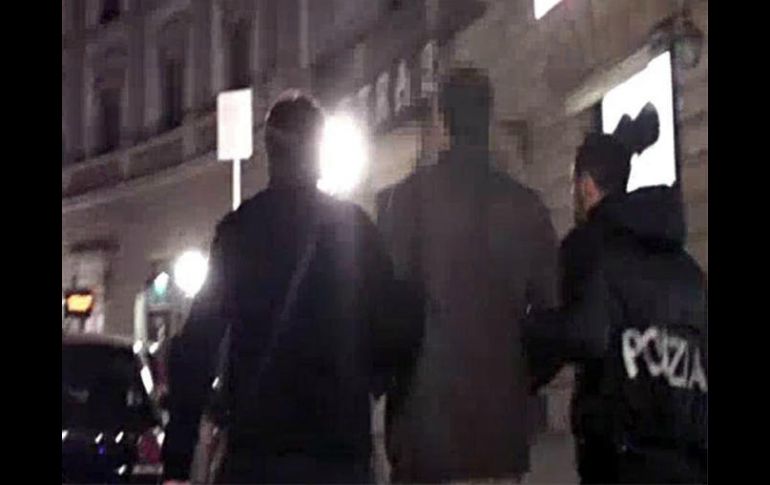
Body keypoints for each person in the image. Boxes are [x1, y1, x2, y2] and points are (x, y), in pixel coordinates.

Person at [162, 92, 421, 484]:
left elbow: (199, 344)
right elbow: (395, 328)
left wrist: (178, 457)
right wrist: (369, 382)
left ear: (270, 152)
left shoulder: (240, 231)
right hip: (336, 448)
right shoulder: (354, 228)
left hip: (258, 449)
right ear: (318, 151)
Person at [377, 67, 559, 483]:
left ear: (442, 121)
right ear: (489, 117)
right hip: (500, 436)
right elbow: (552, 320)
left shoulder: (408, 200)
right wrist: (519, 376)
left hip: (425, 434)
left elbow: (386, 312)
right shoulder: (526, 207)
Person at [525, 106, 708, 483]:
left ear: (586, 185)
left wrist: (528, 333)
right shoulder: (685, 266)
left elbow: (585, 333)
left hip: (620, 460)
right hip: (690, 460)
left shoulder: (588, 246)